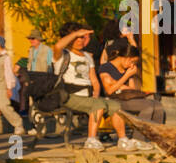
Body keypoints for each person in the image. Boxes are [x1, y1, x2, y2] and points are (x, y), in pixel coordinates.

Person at [53, 21, 144, 150]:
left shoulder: (87, 56)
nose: (80, 40)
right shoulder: (63, 54)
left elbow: (94, 80)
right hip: (69, 96)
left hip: (87, 97)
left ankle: (123, 139)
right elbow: (57, 46)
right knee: (98, 105)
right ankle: (91, 139)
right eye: (77, 37)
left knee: (115, 106)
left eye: (82, 37)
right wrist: (76, 33)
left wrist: (96, 93)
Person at [100, 37, 165, 134]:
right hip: (115, 100)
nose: (132, 65)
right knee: (148, 107)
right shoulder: (106, 68)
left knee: (158, 106)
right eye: (132, 62)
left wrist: (128, 78)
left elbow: (132, 89)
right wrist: (126, 76)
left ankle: (156, 136)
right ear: (126, 58)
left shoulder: (127, 69)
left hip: (127, 98)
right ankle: (139, 139)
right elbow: (109, 91)